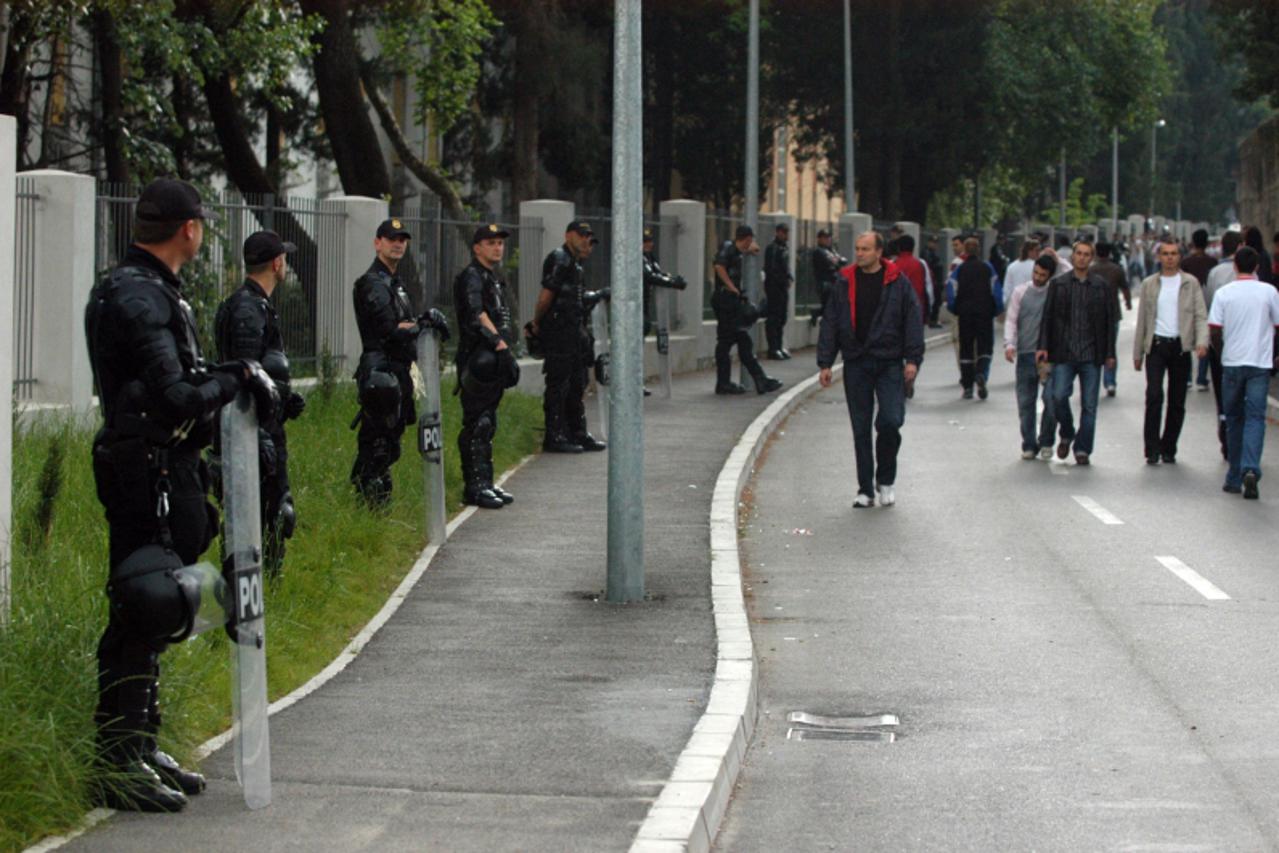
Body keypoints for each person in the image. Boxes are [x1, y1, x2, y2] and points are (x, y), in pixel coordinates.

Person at [84, 178, 277, 812]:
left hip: (160, 467)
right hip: (146, 470)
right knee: (147, 601)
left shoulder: (145, 288)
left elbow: (185, 380)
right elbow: (177, 396)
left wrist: (226, 378)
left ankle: (137, 744)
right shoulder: (140, 297)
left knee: (151, 602)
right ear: (189, 229)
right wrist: (241, 376)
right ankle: (118, 758)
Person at [214, 230, 306, 577]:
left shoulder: (256, 304)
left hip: (264, 425)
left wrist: (283, 400)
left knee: (274, 513)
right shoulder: (247, 310)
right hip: (251, 430)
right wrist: (260, 433)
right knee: (257, 514)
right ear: (276, 262)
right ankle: (248, 590)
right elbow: (244, 373)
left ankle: (268, 587)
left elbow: (265, 377)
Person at [817, 231, 924, 508]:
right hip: (856, 362)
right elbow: (830, 321)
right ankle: (865, 489)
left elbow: (912, 320)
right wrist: (825, 362)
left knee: (890, 421)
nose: (860, 253)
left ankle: (885, 479)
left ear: (879, 253)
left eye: (865, 249)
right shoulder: (844, 281)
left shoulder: (897, 282)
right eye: (857, 248)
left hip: (889, 362)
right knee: (860, 427)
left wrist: (912, 359)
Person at [350, 218, 420, 505]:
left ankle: (378, 503)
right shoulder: (372, 283)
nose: (398, 243)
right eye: (392, 238)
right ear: (377, 243)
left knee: (391, 442)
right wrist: (419, 325)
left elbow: (405, 325)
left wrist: (416, 325)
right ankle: (368, 502)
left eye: (402, 239)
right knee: (378, 443)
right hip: (380, 372)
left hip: (398, 370)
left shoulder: (396, 283)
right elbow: (389, 329)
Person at [453, 223, 520, 508]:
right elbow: (476, 315)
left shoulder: (491, 277)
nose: (497, 247)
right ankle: (474, 486)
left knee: (488, 422)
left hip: (491, 359)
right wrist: (500, 345)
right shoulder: (471, 277)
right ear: (477, 247)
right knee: (477, 423)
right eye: (490, 242)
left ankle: (486, 481)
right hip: (477, 359)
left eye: (500, 243)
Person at [1036, 240, 1118, 465]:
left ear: (1091, 258)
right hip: (1064, 352)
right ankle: (1068, 431)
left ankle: (1083, 449)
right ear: (1072, 257)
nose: (1082, 258)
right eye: (1078, 254)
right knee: (1058, 395)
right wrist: (1043, 346)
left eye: (1086, 254)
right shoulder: (1059, 284)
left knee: (1090, 405)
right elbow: (1048, 317)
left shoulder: (1100, 286)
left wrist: (1110, 353)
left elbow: (1109, 321)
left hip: (1092, 354)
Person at [531, 220, 609, 451]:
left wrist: (596, 297)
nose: (586, 241)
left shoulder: (575, 266)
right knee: (559, 383)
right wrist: (537, 323)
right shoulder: (559, 259)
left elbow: (577, 300)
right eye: (582, 235)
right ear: (568, 236)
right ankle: (555, 435)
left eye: (590, 238)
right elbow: (547, 296)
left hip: (574, 332)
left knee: (578, 382)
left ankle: (576, 431)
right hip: (559, 331)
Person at [1208, 246, 1279, 499]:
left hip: (1232, 363)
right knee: (1255, 418)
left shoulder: (1223, 293)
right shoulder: (1269, 292)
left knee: (1234, 418)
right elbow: (1278, 325)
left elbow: (1214, 330)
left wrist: (1222, 352)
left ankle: (1234, 475)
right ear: (1257, 267)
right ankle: (1251, 468)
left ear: (1235, 266)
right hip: (1260, 363)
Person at [1133, 238, 1208, 464]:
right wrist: (1138, 353)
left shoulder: (1190, 283)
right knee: (1154, 395)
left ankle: (1169, 446)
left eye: (1174, 253)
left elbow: (1200, 315)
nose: (1169, 258)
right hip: (1156, 346)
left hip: (1180, 347)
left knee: (1177, 401)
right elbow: (1142, 320)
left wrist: (1201, 341)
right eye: (1165, 253)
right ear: (1159, 257)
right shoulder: (1150, 284)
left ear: (1179, 256)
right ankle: (1152, 448)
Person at [711, 225, 783, 395]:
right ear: (745, 238)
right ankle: (754, 380)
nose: (750, 244)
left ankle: (751, 381)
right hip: (725, 301)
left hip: (728, 301)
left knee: (732, 342)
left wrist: (750, 247)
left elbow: (753, 248)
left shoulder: (736, 250)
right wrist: (731, 287)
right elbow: (719, 266)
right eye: (749, 240)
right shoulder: (728, 248)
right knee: (734, 341)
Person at [1004, 254, 1060, 460]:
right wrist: (1009, 344)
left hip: (1049, 356)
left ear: (1050, 276)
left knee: (1051, 399)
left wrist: (1056, 258)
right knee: (1026, 402)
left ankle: (1046, 440)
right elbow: (1011, 320)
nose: (1038, 277)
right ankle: (1029, 443)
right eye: (1036, 272)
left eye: (1043, 275)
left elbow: (1072, 270)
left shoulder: (1055, 291)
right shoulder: (1021, 292)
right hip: (1026, 353)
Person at [946, 236, 1003, 400]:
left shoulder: (959, 270)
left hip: (965, 314)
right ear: (978, 250)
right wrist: (996, 309)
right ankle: (982, 373)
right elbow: (996, 291)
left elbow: (951, 291)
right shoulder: (988, 268)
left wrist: (955, 309)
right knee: (985, 347)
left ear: (965, 249)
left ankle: (967, 386)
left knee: (966, 349)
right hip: (984, 313)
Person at [1205, 230, 1243, 458]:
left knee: (1222, 390)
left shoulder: (1215, 273)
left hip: (1220, 341)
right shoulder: (1256, 279)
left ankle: (1224, 426)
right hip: (1244, 344)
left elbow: (1210, 304)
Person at [1091, 242, 1131, 397]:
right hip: (1112, 314)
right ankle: (1110, 382)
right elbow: (1125, 288)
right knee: (1110, 348)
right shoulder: (1116, 270)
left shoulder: (1090, 270)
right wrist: (1127, 303)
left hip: (1093, 315)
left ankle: (1092, 381)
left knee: (1093, 349)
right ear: (1109, 253)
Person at [1181, 229, 1217, 392]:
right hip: (1207, 305)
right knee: (1205, 340)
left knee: (1187, 341)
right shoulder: (1212, 262)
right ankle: (1201, 378)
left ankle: (1187, 377)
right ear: (1207, 243)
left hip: (1188, 305)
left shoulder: (1186, 262)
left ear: (1193, 243)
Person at [763, 222, 793, 359]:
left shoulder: (783, 247)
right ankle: (773, 348)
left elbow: (784, 267)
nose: (786, 235)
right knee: (774, 318)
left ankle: (779, 346)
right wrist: (781, 280)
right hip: (774, 287)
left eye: (787, 232)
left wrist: (789, 277)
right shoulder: (773, 248)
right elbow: (772, 269)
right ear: (778, 232)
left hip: (782, 287)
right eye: (784, 232)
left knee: (782, 317)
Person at [892, 233, 931, 327]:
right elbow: (929, 289)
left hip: (896, 311)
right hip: (916, 309)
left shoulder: (893, 265)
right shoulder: (921, 264)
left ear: (899, 248)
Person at [809, 228, 846, 327]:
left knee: (833, 306)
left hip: (833, 281)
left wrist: (837, 262)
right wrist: (837, 262)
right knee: (829, 306)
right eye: (824, 238)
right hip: (824, 282)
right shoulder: (819, 251)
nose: (827, 240)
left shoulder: (831, 250)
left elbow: (842, 261)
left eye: (828, 238)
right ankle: (818, 316)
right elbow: (831, 262)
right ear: (819, 239)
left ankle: (817, 313)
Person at [922, 235, 945, 328]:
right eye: (932, 242)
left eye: (935, 243)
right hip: (932, 281)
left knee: (937, 301)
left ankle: (933, 319)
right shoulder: (926, 253)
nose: (934, 244)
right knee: (934, 300)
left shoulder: (933, 253)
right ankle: (931, 319)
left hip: (937, 281)